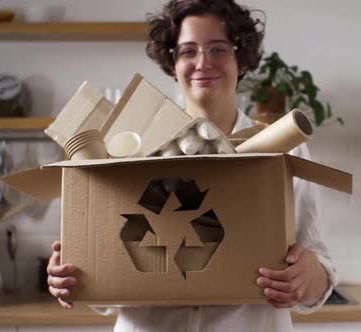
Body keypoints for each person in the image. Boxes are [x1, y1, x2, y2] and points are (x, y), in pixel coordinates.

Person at [46, 0, 338, 331]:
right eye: (188, 51)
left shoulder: (285, 149)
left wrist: (306, 276)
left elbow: (319, 275)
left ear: (240, 59)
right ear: (172, 61)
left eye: (218, 49)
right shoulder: (129, 148)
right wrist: (74, 275)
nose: (202, 62)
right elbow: (111, 272)